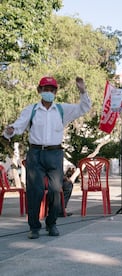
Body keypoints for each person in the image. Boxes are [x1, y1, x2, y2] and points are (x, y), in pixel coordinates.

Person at [3, 76, 91, 239]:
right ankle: (34, 227)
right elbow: (19, 125)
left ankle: (52, 224)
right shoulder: (32, 110)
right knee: (34, 191)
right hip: (35, 154)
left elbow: (84, 108)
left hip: (55, 154)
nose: (48, 92)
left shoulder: (61, 110)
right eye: (45, 89)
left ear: (56, 92)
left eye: (52, 90)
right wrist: (10, 130)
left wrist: (82, 91)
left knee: (55, 191)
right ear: (39, 91)